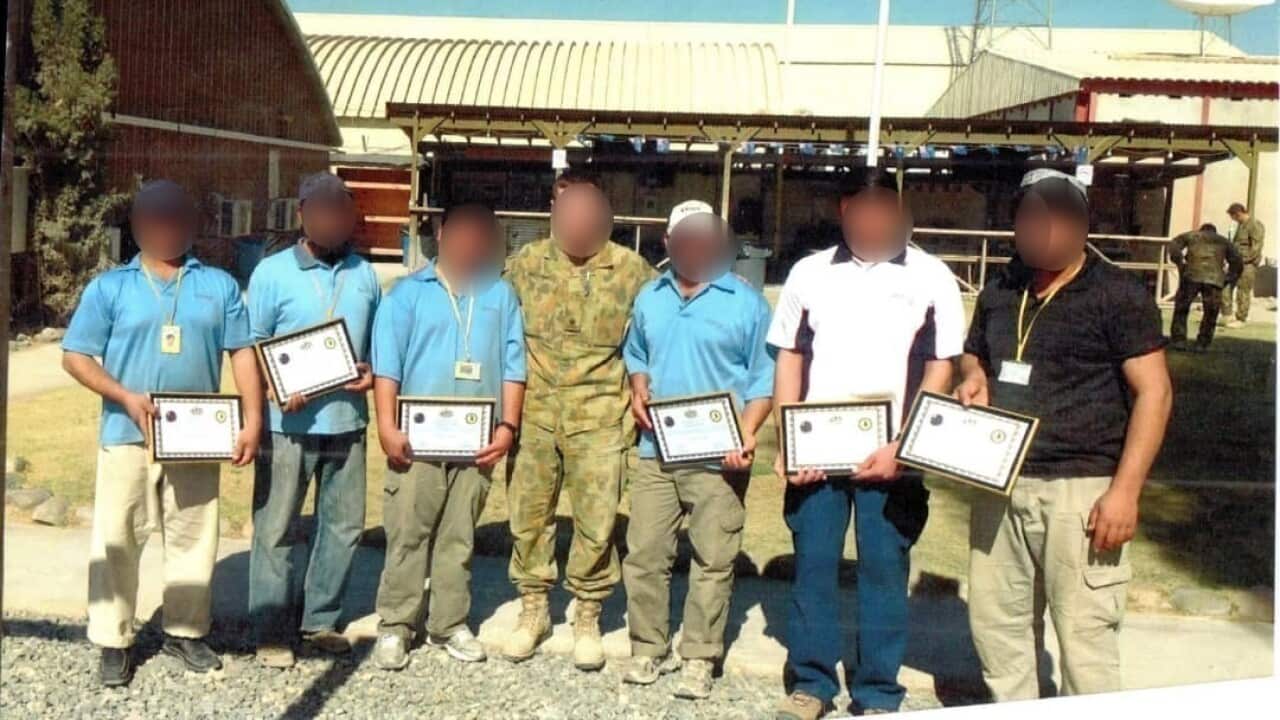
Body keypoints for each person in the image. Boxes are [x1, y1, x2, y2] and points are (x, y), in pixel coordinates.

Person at [956, 169, 1172, 700]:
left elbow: (1156, 393)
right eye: (1032, 216)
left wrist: (1124, 492)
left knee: (1085, 642)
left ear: (1081, 223)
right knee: (998, 630)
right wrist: (973, 375)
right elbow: (974, 353)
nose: (1045, 229)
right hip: (999, 484)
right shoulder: (1001, 289)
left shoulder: (1117, 294)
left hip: (1082, 491)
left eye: (1059, 216)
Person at [766, 171, 966, 719]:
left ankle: (878, 692)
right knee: (814, 567)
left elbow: (940, 365)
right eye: (867, 210)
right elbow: (790, 356)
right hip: (817, 454)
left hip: (892, 455)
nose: (878, 221)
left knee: (883, 572)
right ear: (846, 208)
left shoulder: (932, 276)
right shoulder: (809, 272)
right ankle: (811, 684)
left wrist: (905, 446)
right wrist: (789, 439)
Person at [61, 180, 263, 686]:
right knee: (116, 538)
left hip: (197, 437)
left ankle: (186, 630)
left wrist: (252, 419)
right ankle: (112, 638)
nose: (165, 226)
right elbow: (75, 356)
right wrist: (124, 396)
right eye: (154, 217)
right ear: (136, 224)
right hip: (126, 433)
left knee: (195, 535)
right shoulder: (109, 287)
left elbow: (242, 352)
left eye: (176, 217)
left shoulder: (218, 286)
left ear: (191, 225)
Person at [620, 201, 775, 699]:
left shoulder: (746, 302)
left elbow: (763, 379)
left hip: (719, 457)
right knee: (645, 554)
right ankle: (648, 648)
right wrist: (637, 385)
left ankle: (699, 656)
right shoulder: (650, 296)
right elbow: (637, 353)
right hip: (656, 451)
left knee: (712, 558)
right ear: (668, 244)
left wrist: (747, 432)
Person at [501, 171, 655, 670]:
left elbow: (662, 329)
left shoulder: (633, 272)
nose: (578, 232)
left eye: (589, 223)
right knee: (529, 517)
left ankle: (588, 612)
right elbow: (490, 321)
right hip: (536, 416)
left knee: (596, 524)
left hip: (601, 419)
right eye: (568, 222)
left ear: (605, 224)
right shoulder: (525, 265)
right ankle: (534, 610)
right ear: (554, 219)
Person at [370, 203, 526, 670]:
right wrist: (385, 425)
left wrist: (508, 427)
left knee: (458, 537)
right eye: (462, 233)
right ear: (441, 233)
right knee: (408, 534)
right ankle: (396, 626)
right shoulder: (406, 294)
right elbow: (387, 365)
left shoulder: (500, 296)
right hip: (416, 442)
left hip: (476, 443)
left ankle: (448, 624)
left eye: (483, 236)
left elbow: (514, 365)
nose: (471, 244)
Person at [246, 173, 379, 668]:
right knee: (276, 527)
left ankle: (320, 620)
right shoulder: (271, 273)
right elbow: (253, 346)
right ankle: (272, 629)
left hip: (348, 422)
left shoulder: (364, 274)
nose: (330, 218)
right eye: (320, 209)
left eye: (339, 209)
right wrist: (276, 393)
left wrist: (368, 375)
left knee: (343, 526)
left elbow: (372, 352)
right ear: (302, 213)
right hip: (287, 427)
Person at [1168, 222, 1241, 352]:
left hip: (1191, 275)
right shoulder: (1224, 241)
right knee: (1210, 313)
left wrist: (1180, 262)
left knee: (1182, 309)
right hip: (1214, 279)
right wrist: (1228, 278)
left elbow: (1173, 245)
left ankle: (1179, 340)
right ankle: (1202, 343)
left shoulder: (1191, 236)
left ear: (1201, 230)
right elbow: (1237, 261)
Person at [1221, 202, 1266, 328]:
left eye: (1233, 217)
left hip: (1247, 265)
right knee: (1225, 287)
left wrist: (1245, 260)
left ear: (1238, 214)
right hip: (1235, 263)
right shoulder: (1241, 226)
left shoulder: (1255, 225)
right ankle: (1227, 315)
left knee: (1243, 292)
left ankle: (1241, 318)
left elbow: (1256, 247)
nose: (1233, 220)